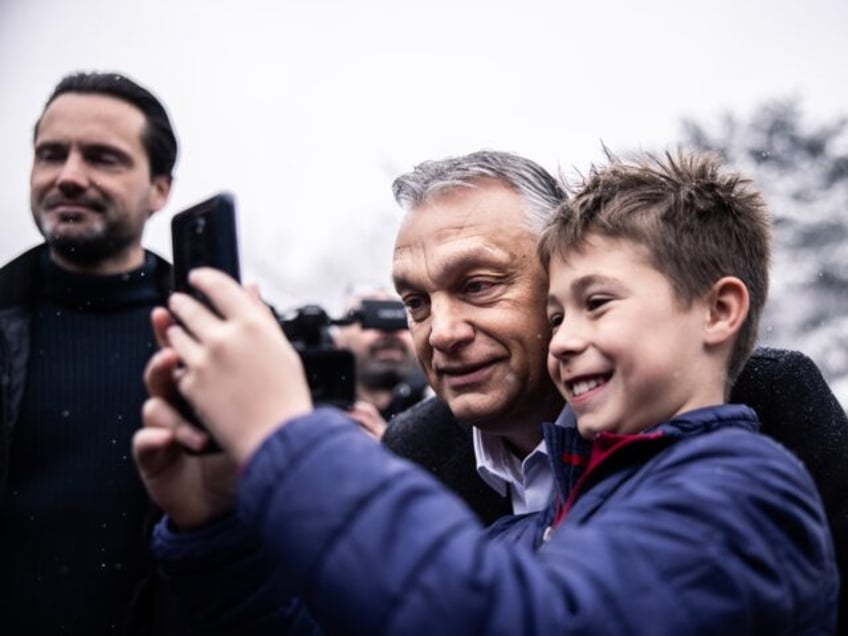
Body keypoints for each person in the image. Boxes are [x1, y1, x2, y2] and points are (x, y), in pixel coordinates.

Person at [134, 150, 838, 633]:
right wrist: (218, 526)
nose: (440, 332)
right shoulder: (520, 516)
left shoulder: (750, 466)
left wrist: (287, 437)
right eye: (413, 303)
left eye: (478, 286)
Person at [0, 71, 184, 633]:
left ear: (160, 190)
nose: (69, 176)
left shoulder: (216, 336)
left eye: (103, 158)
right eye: (51, 154)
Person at [332, 285, 428, 438]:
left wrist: (394, 446)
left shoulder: (444, 406)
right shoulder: (305, 402)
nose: (389, 330)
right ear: (338, 339)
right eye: (372, 318)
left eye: (400, 318)